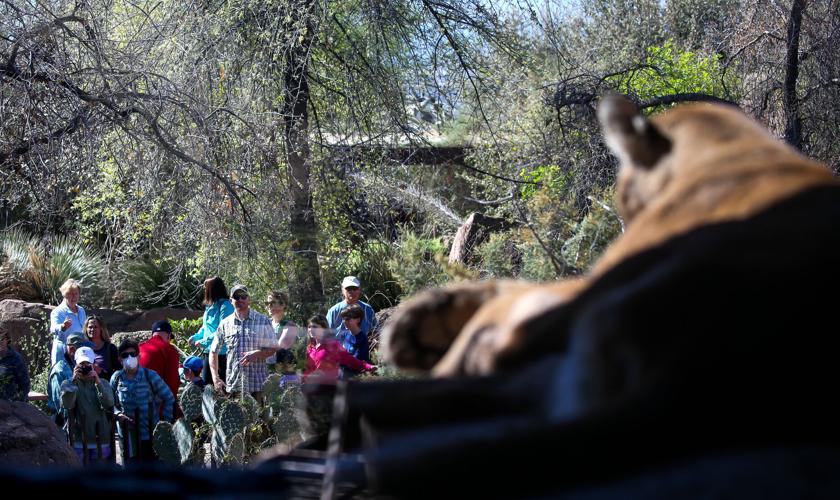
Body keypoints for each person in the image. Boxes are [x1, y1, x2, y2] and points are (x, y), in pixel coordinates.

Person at [110, 339, 175, 463]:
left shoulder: (150, 375)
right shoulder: (116, 378)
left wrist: (164, 424)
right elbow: (110, 403)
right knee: (131, 473)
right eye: (125, 355)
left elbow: (168, 398)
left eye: (133, 354)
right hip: (128, 436)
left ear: (139, 357)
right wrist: (117, 414)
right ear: (120, 359)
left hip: (150, 434)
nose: (130, 357)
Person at [210, 284, 277, 399]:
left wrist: (257, 354)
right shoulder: (225, 324)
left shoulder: (262, 320)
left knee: (258, 417)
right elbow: (213, 351)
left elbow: (273, 348)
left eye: (243, 296)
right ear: (231, 300)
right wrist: (215, 378)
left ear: (249, 299)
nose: (240, 299)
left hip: (258, 386)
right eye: (237, 297)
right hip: (234, 386)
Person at [60, 346, 114, 463]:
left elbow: (109, 403)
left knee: (99, 476)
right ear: (75, 365)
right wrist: (73, 382)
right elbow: (67, 404)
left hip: (101, 438)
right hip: (79, 439)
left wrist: (98, 382)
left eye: (87, 364)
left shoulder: (103, 383)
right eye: (81, 364)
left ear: (93, 364)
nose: (85, 368)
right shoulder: (67, 384)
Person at [188, 277, 234, 386]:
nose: (204, 291)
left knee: (220, 388)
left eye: (206, 289)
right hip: (208, 352)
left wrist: (204, 341)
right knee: (208, 386)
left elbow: (222, 330)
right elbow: (206, 327)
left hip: (221, 354)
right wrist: (196, 337)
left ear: (212, 289)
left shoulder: (226, 306)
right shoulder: (210, 306)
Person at [303, 315, 375, 384]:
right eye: (309, 327)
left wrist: (368, 367)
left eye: (315, 327)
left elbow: (350, 360)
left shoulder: (333, 345)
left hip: (329, 390)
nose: (311, 329)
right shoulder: (310, 348)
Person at [326, 276, 376, 367]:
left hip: (364, 360)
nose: (352, 291)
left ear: (359, 289)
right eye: (348, 289)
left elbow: (375, 332)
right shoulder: (333, 312)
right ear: (342, 290)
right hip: (339, 362)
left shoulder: (367, 309)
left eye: (354, 288)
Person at [48, 331, 86, 425]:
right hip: (64, 425)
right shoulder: (59, 370)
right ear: (72, 349)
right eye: (83, 348)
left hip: (82, 422)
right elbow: (60, 405)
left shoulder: (80, 366)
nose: (86, 351)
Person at [49, 278, 87, 366]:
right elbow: (53, 329)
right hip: (62, 352)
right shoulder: (58, 312)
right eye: (70, 294)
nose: (74, 297)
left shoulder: (81, 310)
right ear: (64, 295)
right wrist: (62, 326)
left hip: (79, 351)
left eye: (76, 294)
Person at [139, 320, 180, 399]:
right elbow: (172, 381)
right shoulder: (170, 350)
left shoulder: (139, 347)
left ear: (152, 335)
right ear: (169, 335)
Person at [265, 290, 299, 383]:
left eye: (272, 303)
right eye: (267, 303)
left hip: (286, 376)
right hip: (268, 373)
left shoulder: (289, 325)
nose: (268, 306)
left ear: (283, 305)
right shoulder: (266, 323)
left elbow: (279, 346)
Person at [337, 304, 372, 379]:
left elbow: (358, 360)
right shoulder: (344, 334)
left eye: (348, 319)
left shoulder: (362, 338)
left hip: (356, 378)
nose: (345, 321)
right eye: (344, 319)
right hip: (342, 376)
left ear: (358, 320)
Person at [84, 316, 120, 382]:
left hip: (105, 387)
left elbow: (118, 373)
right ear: (86, 329)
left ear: (101, 329)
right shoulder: (82, 349)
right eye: (90, 327)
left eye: (95, 327)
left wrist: (101, 372)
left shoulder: (110, 348)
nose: (92, 329)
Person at [0, 325, 30, 402]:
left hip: (12, 405)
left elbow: (25, 384)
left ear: (7, 340)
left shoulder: (16, 358)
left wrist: (18, 405)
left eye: (2, 339)